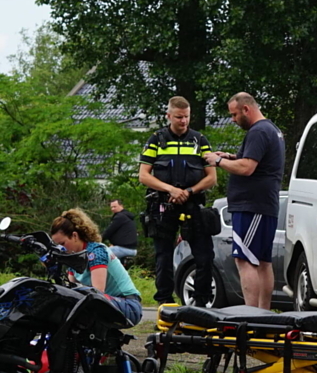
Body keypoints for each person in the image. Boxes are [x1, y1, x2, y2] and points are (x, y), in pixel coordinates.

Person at [204, 92, 284, 309]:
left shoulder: (258, 131)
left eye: (234, 114)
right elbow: (254, 161)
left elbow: (247, 168)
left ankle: (250, 315)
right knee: (262, 261)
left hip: (251, 206)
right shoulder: (272, 129)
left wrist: (218, 161)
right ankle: (263, 314)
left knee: (245, 260)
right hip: (265, 204)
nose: (232, 119)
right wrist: (231, 157)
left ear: (246, 109)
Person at [139, 96, 218, 306]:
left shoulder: (200, 140)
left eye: (186, 117)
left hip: (193, 204)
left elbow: (211, 177)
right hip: (163, 205)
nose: (183, 121)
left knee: (205, 256)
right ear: (169, 116)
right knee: (163, 257)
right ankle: (164, 304)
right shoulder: (156, 139)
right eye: (179, 117)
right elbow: (144, 175)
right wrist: (171, 189)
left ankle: (201, 304)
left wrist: (189, 191)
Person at [49, 209, 144, 326]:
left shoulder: (96, 252)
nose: (61, 249)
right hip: (110, 303)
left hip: (128, 306)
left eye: (62, 244)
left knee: (87, 297)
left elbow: (97, 293)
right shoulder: (73, 258)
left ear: (74, 236)